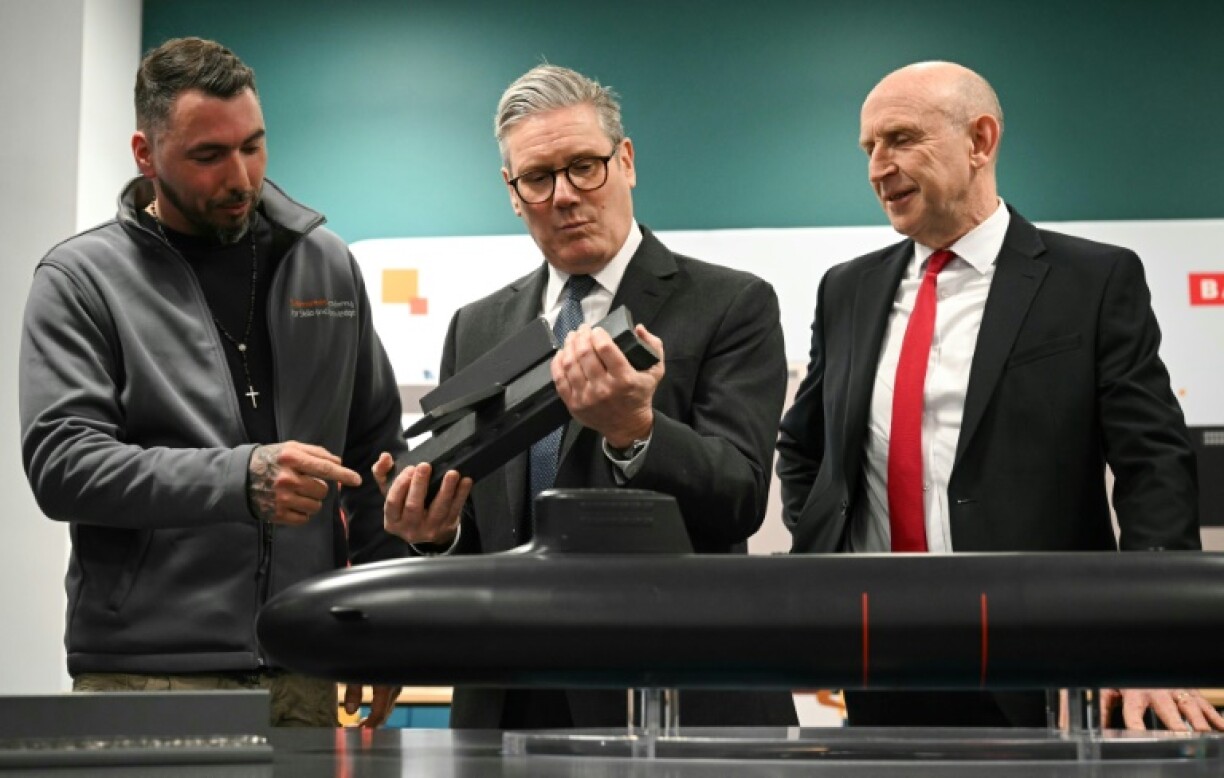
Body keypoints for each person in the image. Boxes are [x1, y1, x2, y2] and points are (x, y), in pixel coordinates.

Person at [776, 60, 1221, 731]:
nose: (877, 167)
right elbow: (804, 446)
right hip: (879, 651)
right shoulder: (847, 289)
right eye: (868, 149)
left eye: (900, 139)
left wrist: (1157, 638)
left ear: (980, 140)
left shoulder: (1093, 281)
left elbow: (1153, 465)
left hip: (1041, 650)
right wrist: (826, 563)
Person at [375, 64, 797, 729]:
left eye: (584, 167)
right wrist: (436, 534)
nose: (565, 195)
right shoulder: (476, 326)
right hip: (509, 700)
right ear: (512, 193)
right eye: (538, 177)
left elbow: (740, 496)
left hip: (672, 697)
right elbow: (482, 534)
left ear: (625, 161)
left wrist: (636, 430)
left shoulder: (731, 304)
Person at [19, 37, 407, 728]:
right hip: (145, 676)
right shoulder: (80, 281)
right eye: (209, 156)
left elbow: (376, 455)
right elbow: (63, 465)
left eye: (253, 146)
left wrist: (384, 627)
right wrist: (239, 479)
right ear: (145, 154)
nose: (241, 178)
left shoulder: (325, 264)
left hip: (303, 667)